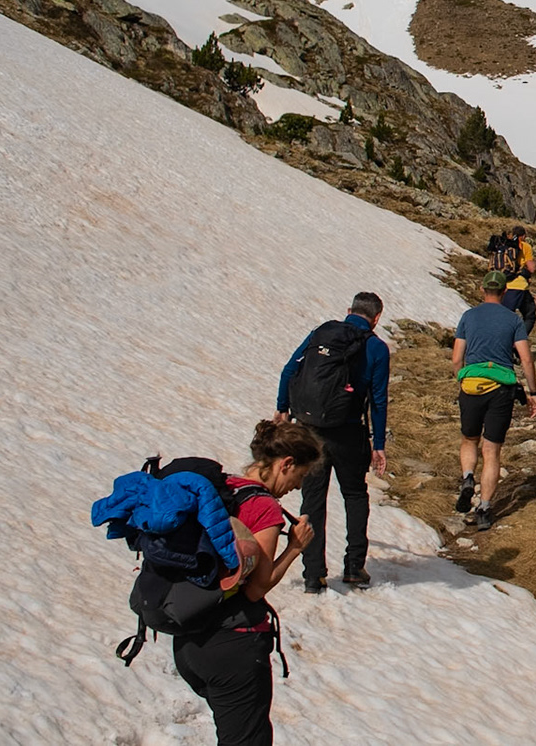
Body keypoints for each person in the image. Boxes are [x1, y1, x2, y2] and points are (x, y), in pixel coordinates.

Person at [173, 419, 322, 746]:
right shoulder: (263, 507)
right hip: (232, 646)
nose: (298, 486)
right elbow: (256, 588)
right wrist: (295, 548)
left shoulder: (224, 488)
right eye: (300, 475)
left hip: (190, 642)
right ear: (286, 464)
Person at [275, 292, 390, 592]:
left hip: (310, 429)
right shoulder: (377, 348)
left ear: (349, 310)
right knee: (354, 494)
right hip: (348, 431)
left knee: (313, 500)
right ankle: (354, 567)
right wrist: (378, 444)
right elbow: (378, 400)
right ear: (377, 318)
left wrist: (282, 408)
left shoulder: (322, 333)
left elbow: (289, 370)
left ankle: (314, 575)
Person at [452, 271, 536, 530]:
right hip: (501, 388)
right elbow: (526, 359)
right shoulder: (513, 320)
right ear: (504, 292)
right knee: (491, 450)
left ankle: (468, 477)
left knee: (469, 439)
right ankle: (484, 508)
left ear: (482, 289)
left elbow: (456, 358)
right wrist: (533, 393)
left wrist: (462, 379)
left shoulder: (468, 316)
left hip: (471, 384)